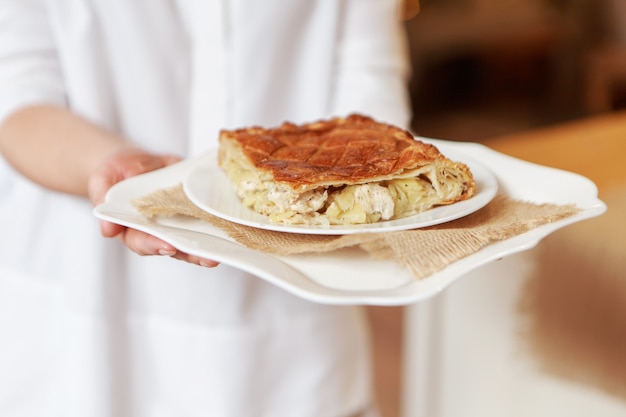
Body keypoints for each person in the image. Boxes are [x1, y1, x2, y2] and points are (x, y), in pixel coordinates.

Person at [0, 1, 411, 416]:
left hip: (291, 324)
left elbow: (369, 86)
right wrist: (119, 170)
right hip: (79, 307)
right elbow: (18, 99)